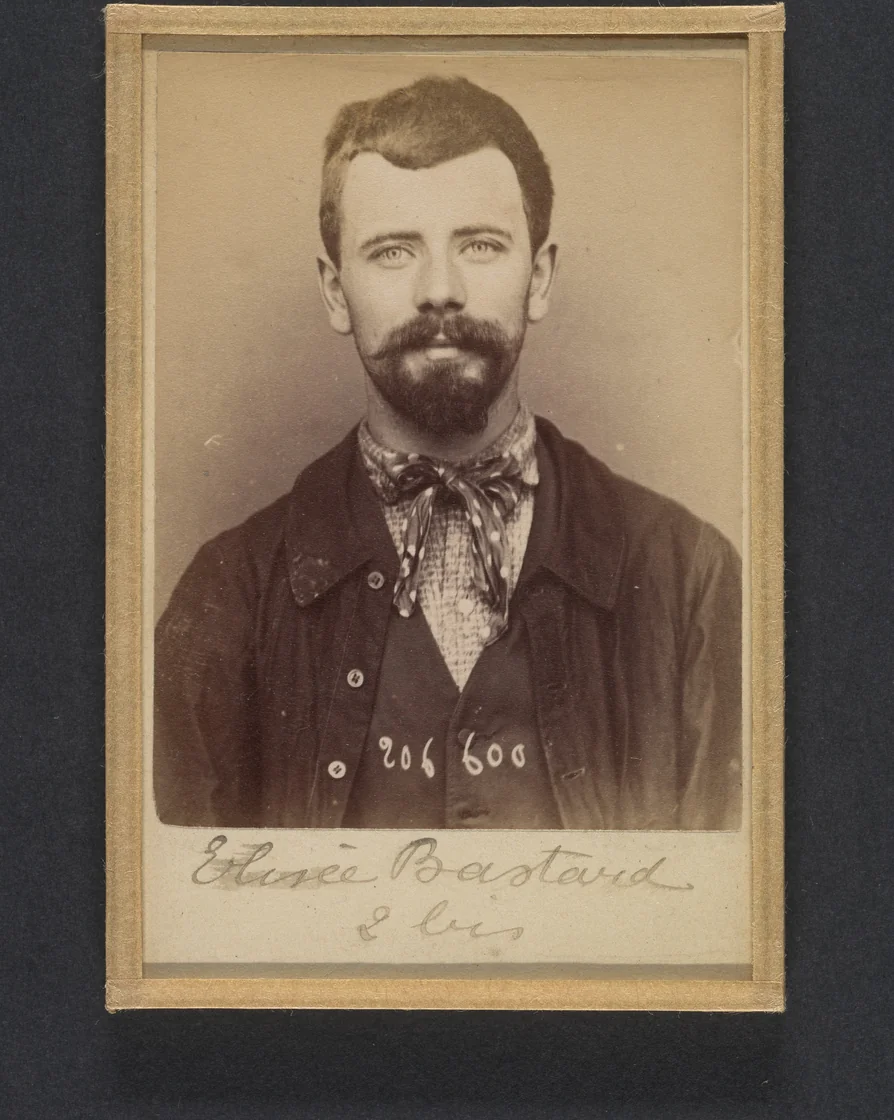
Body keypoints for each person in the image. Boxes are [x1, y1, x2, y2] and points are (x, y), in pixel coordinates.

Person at [154, 75, 742, 831]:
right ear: (336, 291)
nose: (441, 289)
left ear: (539, 278)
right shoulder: (225, 597)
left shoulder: (691, 581)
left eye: (481, 245)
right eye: (394, 251)